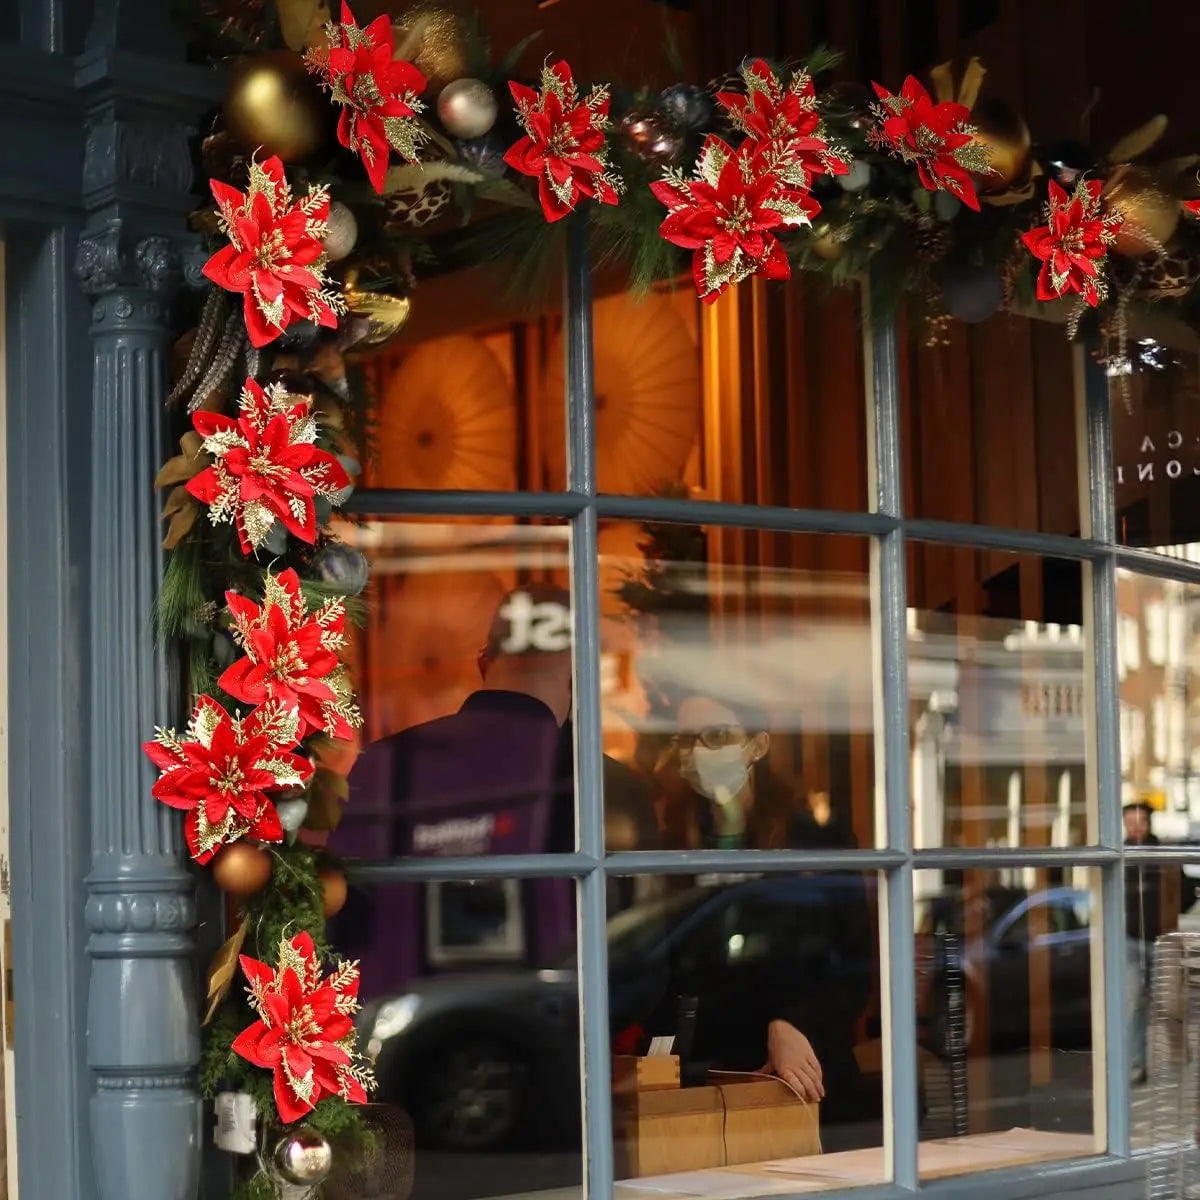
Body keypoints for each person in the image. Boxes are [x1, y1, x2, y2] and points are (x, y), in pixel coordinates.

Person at [649, 693, 879, 1148]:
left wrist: (792, 1024)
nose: (699, 751)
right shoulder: (671, 842)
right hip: (706, 1080)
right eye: (685, 739)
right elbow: (661, 967)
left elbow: (854, 967)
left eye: (717, 735)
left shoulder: (814, 841)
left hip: (802, 1076)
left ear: (757, 745)